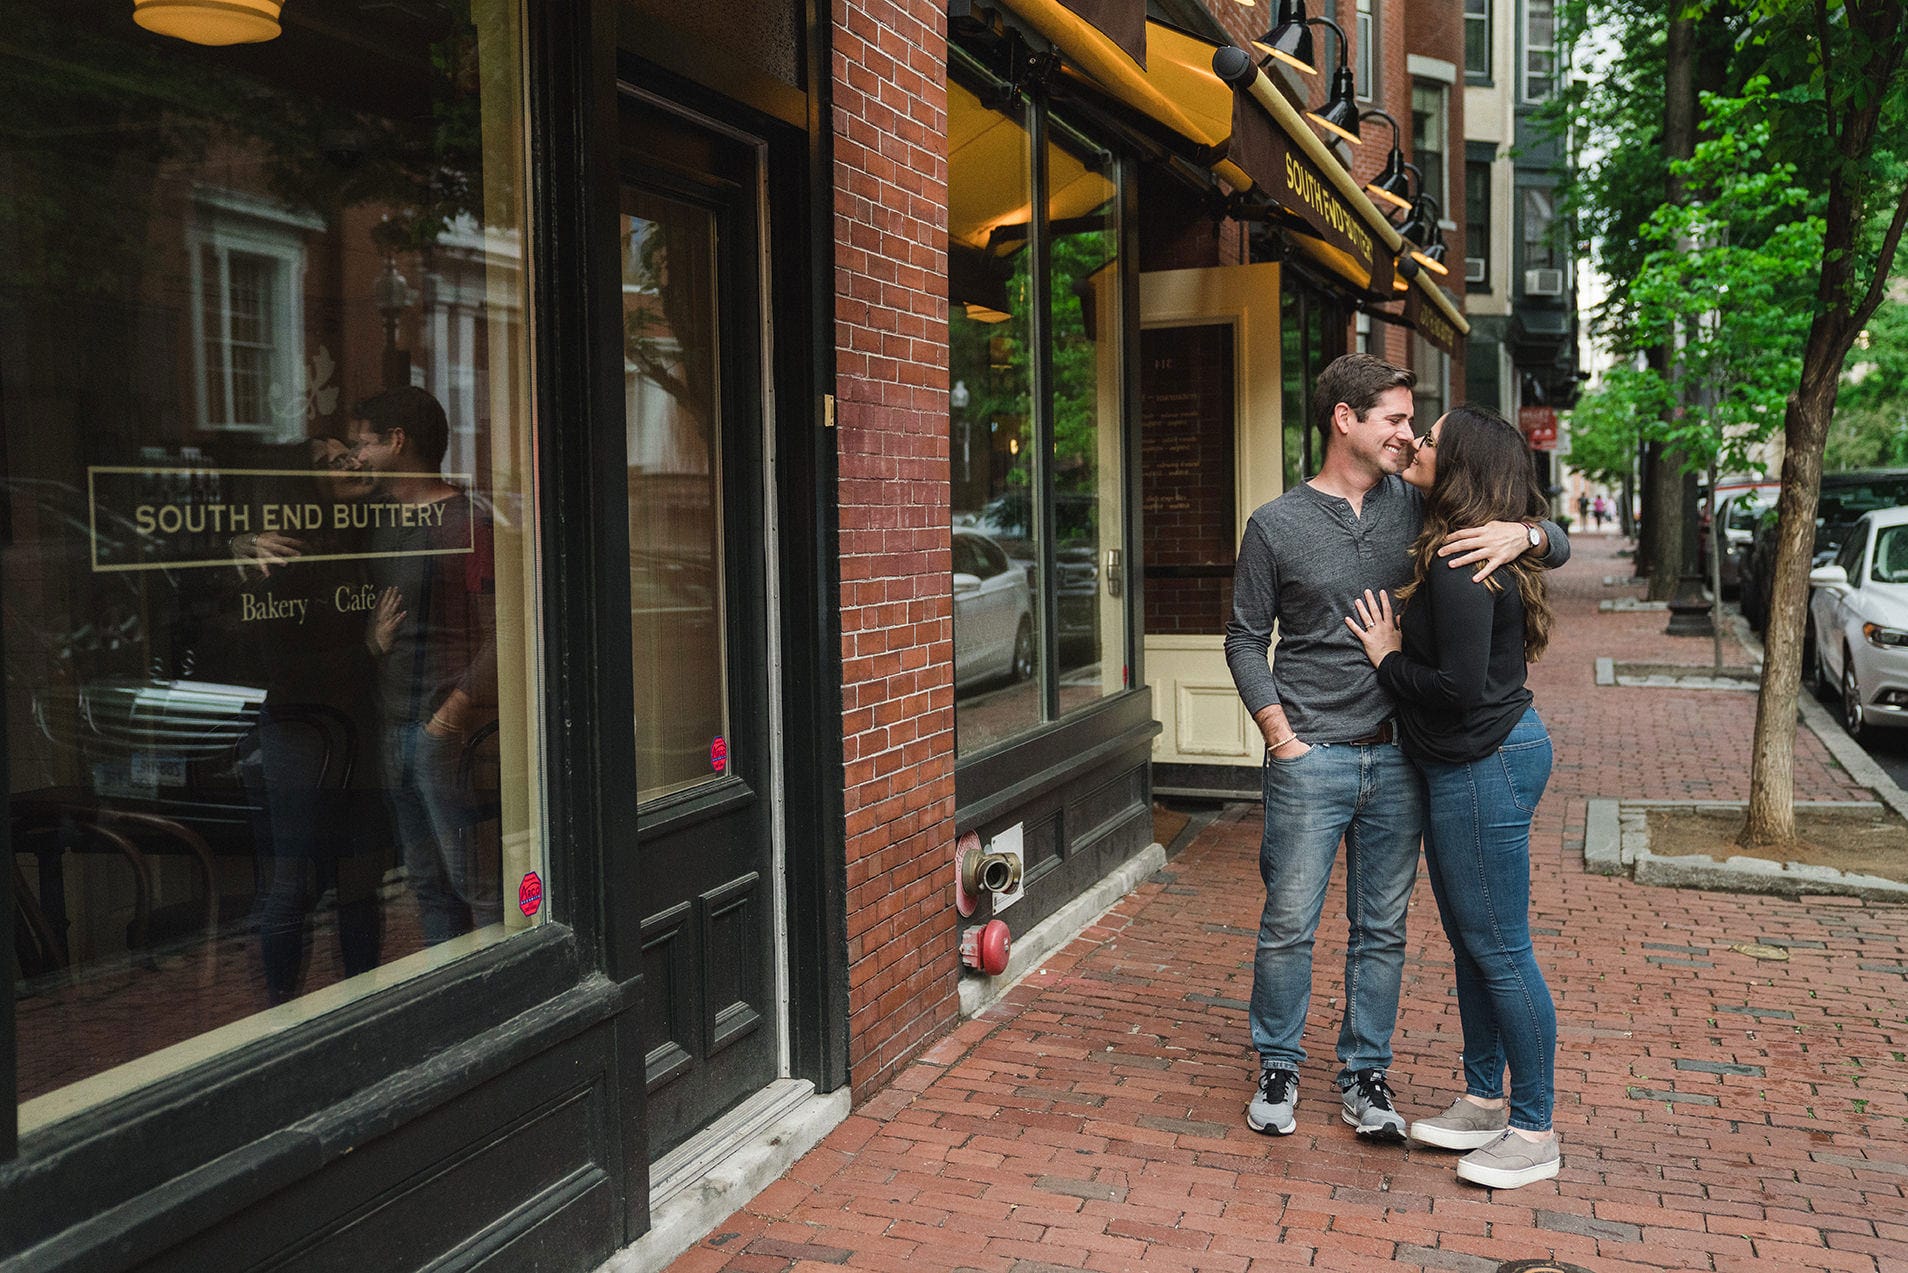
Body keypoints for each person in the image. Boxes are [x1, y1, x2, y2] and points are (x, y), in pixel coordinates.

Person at [1225, 355, 1568, 1144]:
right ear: (1344, 418)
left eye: (1416, 425)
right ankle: (1279, 1062)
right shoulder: (1274, 525)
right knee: (1288, 922)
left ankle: (1364, 1073)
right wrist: (1281, 736)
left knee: (1383, 927)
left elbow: (1531, 529)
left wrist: (1530, 531)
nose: (1409, 436)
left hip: (1405, 757)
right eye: (1396, 420)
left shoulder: (1417, 510)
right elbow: (1245, 638)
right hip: (1313, 755)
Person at [1344, 403, 1562, 1190]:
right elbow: (1548, 535)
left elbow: (1457, 689)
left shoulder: (1458, 560)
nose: (1417, 442)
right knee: (1479, 941)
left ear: (1460, 463)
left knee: (1501, 948)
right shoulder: (1465, 539)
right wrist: (1536, 532)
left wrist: (1385, 656)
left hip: (1484, 763)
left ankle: (1534, 1128)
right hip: (1478, 763)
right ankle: (1481, 1097)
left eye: (1429, 436)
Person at [347, 387, 500, 944]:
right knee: (429, 887)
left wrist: (449, 720)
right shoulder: (378, 518)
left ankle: (498, 1005)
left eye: (365, 443)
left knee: (477, 887)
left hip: (441, 734)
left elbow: (504, 630)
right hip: (394, 728)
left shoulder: (466, 523)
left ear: (397, 441)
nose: (357, 456)